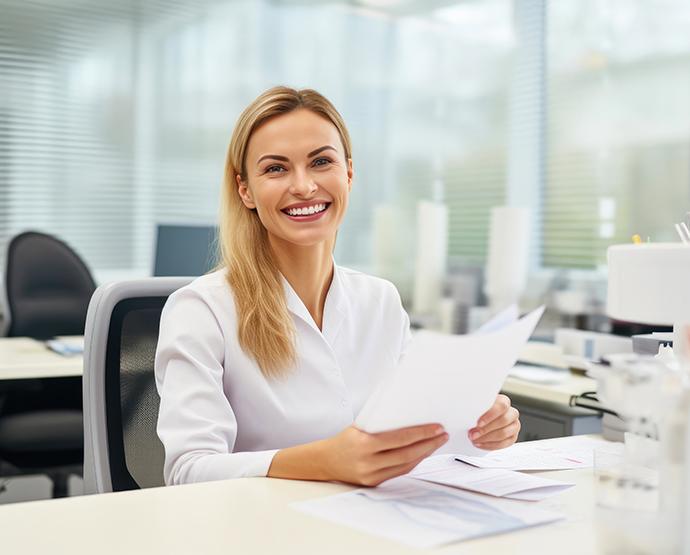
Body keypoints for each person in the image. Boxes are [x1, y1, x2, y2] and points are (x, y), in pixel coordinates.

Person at [154, 86, 520, 487]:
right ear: (246, 191)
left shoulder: (380, 300)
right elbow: (188, 471)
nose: (304, 186)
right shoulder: (201, 309)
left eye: (321, 162)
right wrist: (326, 461)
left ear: (348, 172)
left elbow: (417, 430)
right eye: (276, 168)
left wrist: (478, 428)